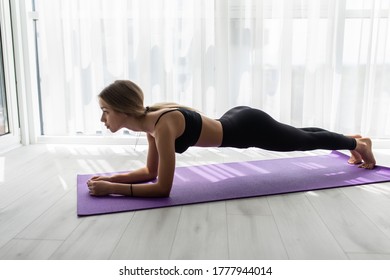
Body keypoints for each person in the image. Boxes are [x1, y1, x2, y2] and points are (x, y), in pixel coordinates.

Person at [87, 80, 376, 197]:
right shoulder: (151, 123)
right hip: (238, 120)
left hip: (248, 127)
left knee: (300, 140)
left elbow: (163, 188)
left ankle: (357, 144)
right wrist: (111, 179)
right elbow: (151, 172)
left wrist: (113, 190)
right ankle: (350, 139)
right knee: (298, 135)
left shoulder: (161, 126)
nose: (103, 119)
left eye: (106, 112)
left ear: (124, 110)